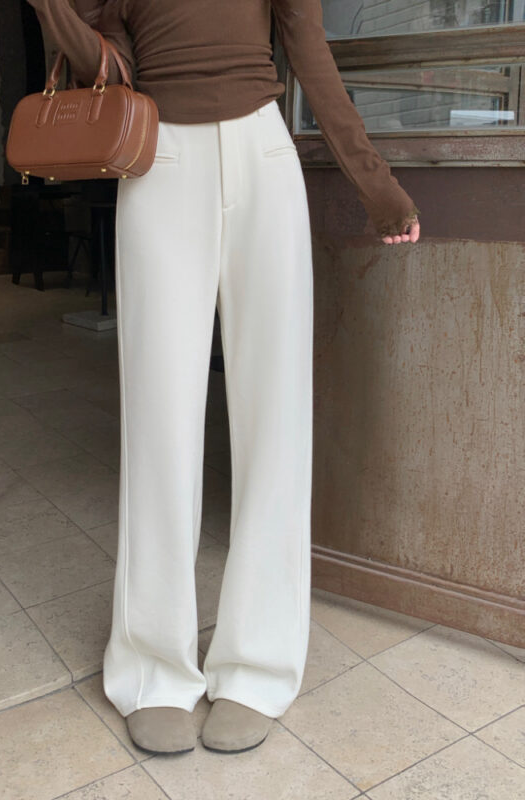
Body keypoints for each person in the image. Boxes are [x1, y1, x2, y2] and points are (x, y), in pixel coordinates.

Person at [27, 0, 421, 756]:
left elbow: (309, 50)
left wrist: (376, 184)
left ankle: (257, 666)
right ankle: (153, 668)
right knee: (158, 421)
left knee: (276, 416)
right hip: (158, 160)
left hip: (262, 157)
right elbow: (110, 63)